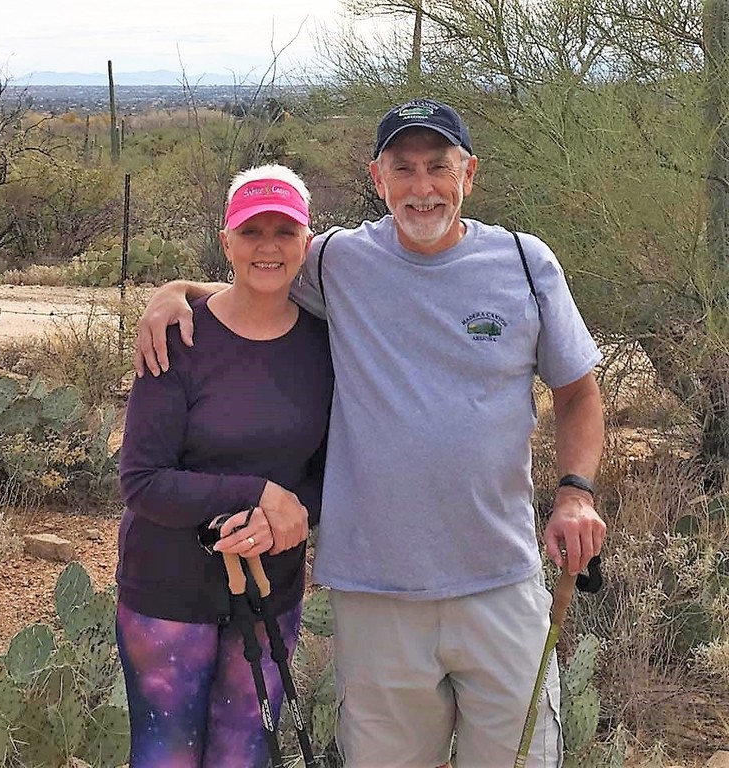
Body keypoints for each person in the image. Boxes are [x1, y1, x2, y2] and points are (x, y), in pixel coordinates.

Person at [134, 99, 607, 768]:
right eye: (402, 169)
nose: (422, 188)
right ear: (376, 178)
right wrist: (175, 289)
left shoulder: (527, 266)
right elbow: (257, 275)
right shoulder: (337, 262)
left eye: (438, 167)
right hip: (375, 595)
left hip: (500, 582)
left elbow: (578, 392)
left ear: (468, 173)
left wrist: (575, 494)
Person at [115, 164, 334, 768]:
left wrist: (292, 515)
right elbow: (142, 482)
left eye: (284, 232)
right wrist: (259, 493)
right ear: (226, 241)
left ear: (307, 242)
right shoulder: (178, 336)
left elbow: (330, 470)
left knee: (244, 754)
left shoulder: (324, 345)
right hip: (167, 592)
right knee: (166, 755)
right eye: (251, 231)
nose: (268, 247)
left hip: (271, 590)